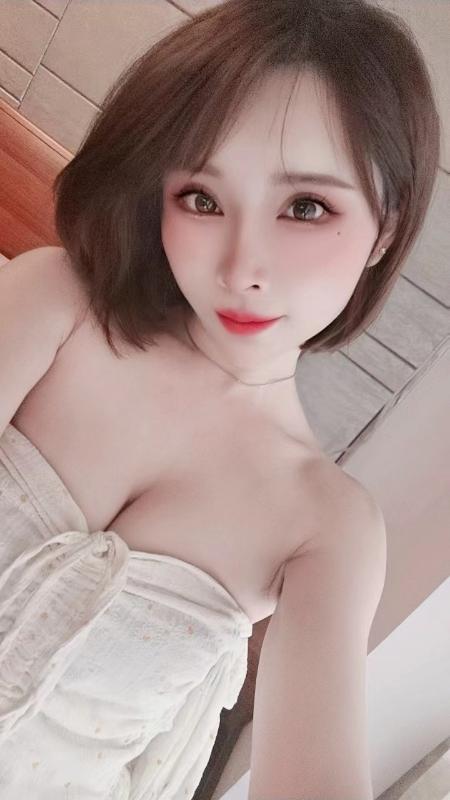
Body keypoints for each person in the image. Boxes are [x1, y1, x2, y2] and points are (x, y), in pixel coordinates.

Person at [0, 0, 441, 798]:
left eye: (305, 207)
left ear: (386, 227)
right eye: (202, 198)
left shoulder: (327, 527)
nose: (242, 268)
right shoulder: (54, 304)